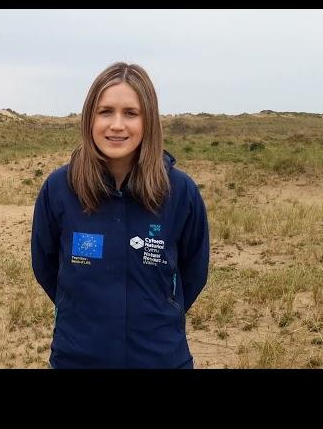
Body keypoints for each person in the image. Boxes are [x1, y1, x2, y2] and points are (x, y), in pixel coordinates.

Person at [31, 62, 209, 369]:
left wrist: (159, 313)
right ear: (90, 118)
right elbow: (45, 266)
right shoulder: (59, 188)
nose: (116, 125)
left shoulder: (180, 191)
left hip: (161, 358)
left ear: (148, 120)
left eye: (130, 113)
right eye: (105, 112)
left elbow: (194, 272)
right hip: (77, 358)